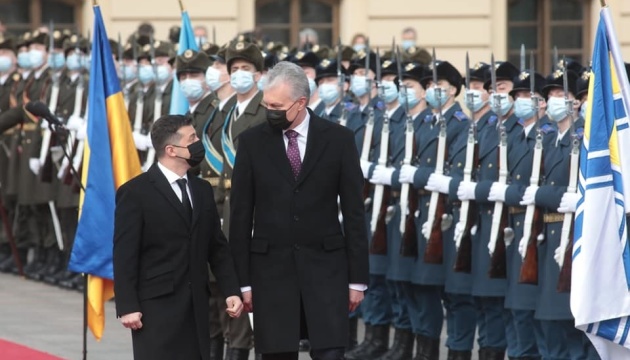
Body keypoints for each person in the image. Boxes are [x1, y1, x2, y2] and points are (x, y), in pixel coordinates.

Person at [229, 61, 369, 360]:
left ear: (301, 102)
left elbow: (355, 214)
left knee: (330, 353)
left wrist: (357, 280)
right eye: (266, 104)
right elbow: (240, 216)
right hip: (271, 274)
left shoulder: (338, 140)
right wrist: (242, 282)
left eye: (276, 106)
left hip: (326, 271)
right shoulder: (252, 142)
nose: (269, 111)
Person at [113, 114, 243, 360]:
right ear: (171, 150)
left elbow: (217, 247)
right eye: (192, 138)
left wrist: (231, 290)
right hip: (156, 306)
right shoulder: (135, 192)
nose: (198, 143)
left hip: (196, 305)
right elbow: (124, 254)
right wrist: (128, 306)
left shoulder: (202, 189)